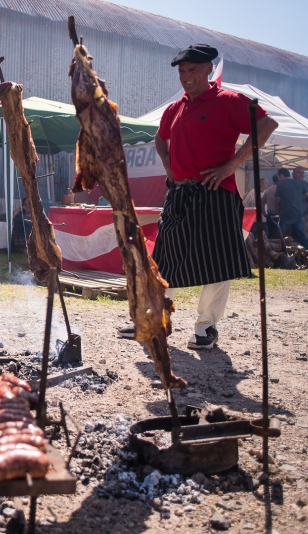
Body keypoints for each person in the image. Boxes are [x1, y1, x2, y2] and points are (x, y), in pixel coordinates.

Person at [119, 44, 277, 350]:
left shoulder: (228, 100)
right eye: (182, 71)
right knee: (164, 259)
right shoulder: (175, 108)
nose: (186, 76)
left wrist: (232, 164)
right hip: (179, 192)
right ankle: (155, 321)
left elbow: (267, 124)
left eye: (193, 70)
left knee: (218, 261)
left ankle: (205, 328)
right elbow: (159, 138)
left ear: (208, 69)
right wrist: (167, 165)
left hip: (216, 192)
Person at [275, 167, 308, 249]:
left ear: (282, 175)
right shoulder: (299, 183)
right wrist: (305, 203)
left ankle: (274, 250)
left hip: (286, 214)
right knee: (300, 234)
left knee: (278, 234)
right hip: (299, 213)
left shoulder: (280, 185)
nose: (278, 178)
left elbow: (277, 201)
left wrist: (278, 212)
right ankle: (307, 251)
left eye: (278, 176)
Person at [293, 168, 308, 235]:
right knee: (289, 238)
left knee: (303, 237)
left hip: (304, 216)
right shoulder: (288, 184)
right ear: (293, 173)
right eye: (299, 172)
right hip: (290, 216)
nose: (301, 175)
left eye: (302, 173)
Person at [260, 173, 280, 238]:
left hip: (270, 215)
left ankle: (271, 247)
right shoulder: (282, 188)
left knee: (271, 235)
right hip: (280, 215)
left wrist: (264, 213)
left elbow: (262, 202)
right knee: (280, 235)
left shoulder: (268, 190)